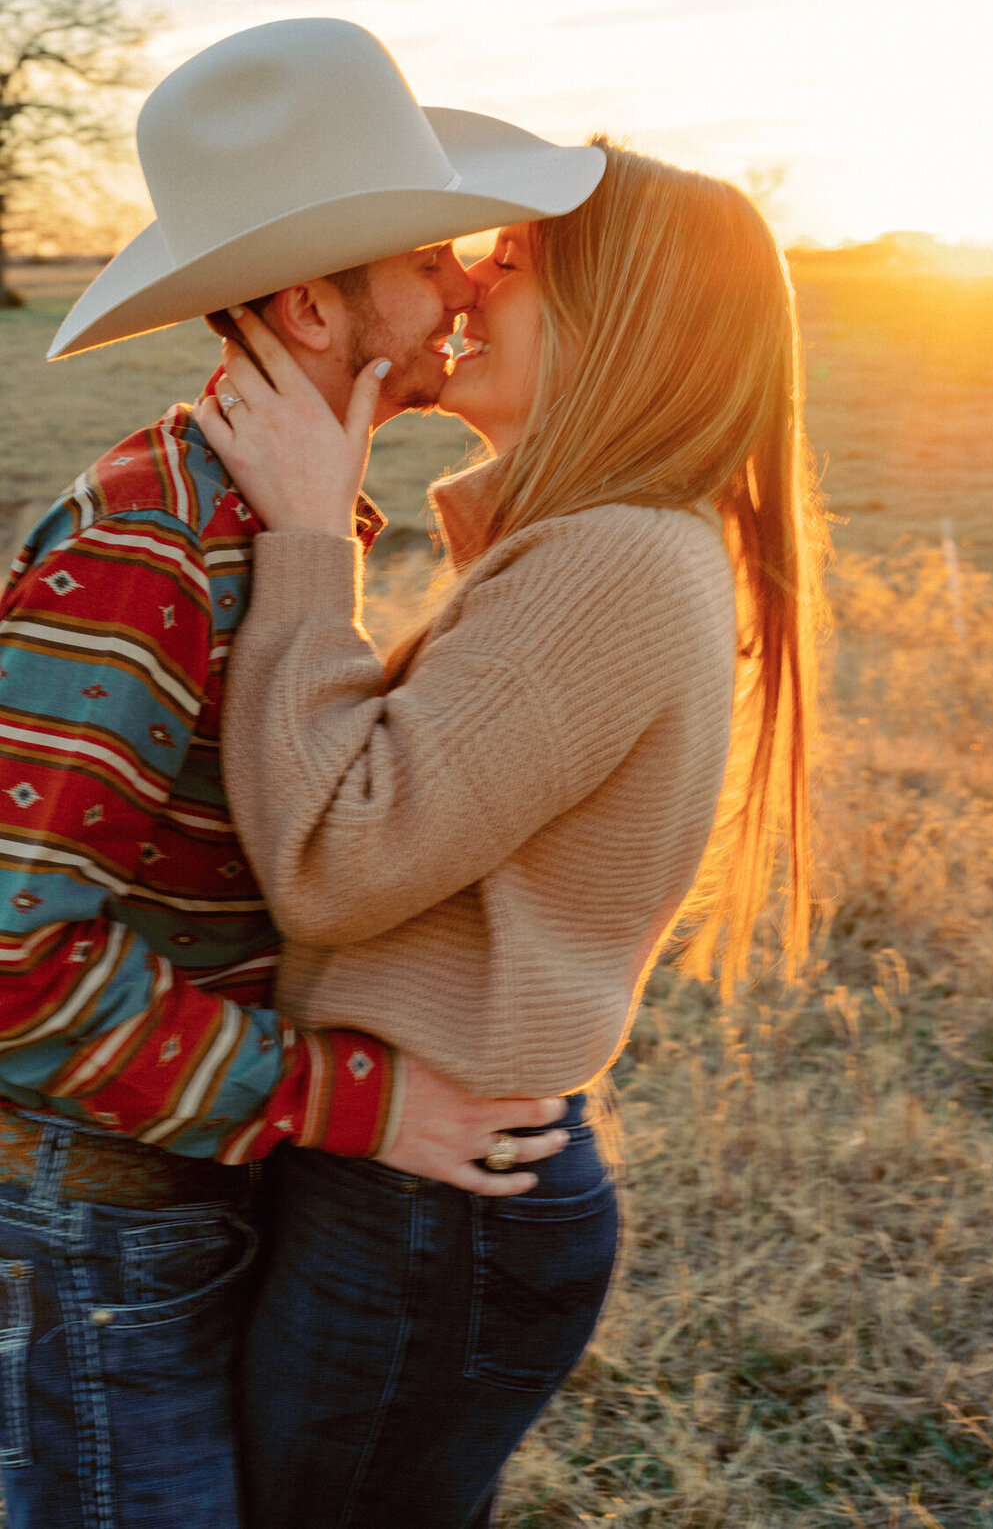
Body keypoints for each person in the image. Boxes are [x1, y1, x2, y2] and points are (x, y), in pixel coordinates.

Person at [0, 16, 605, 1529]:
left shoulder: (275, 519)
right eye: (422, 258)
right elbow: (7, 956)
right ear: (306, 303)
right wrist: (353, 1098)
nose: (463, 278)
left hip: (174, 1195)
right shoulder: (152, 542)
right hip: (94, 1234)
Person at [202, 138, 825, 1529]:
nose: (469, 278)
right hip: (426, 1184)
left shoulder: (614, 556)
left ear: (626, 319)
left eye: (517, 261)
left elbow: (338, 856)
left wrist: (309, 534)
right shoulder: (604, 543)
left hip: (432, 1203)